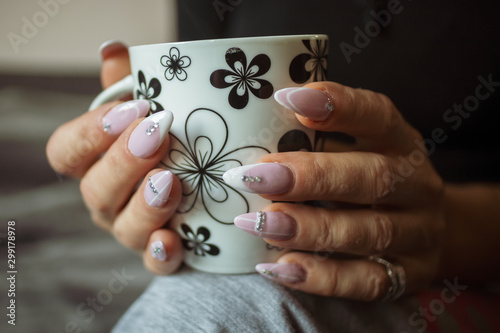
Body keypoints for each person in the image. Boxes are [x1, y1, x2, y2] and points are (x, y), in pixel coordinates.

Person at [46, 0, 500, 331]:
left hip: (463, 272)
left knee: (217, 307)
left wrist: (451, 230)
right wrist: (127, 177)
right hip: (241, 255)